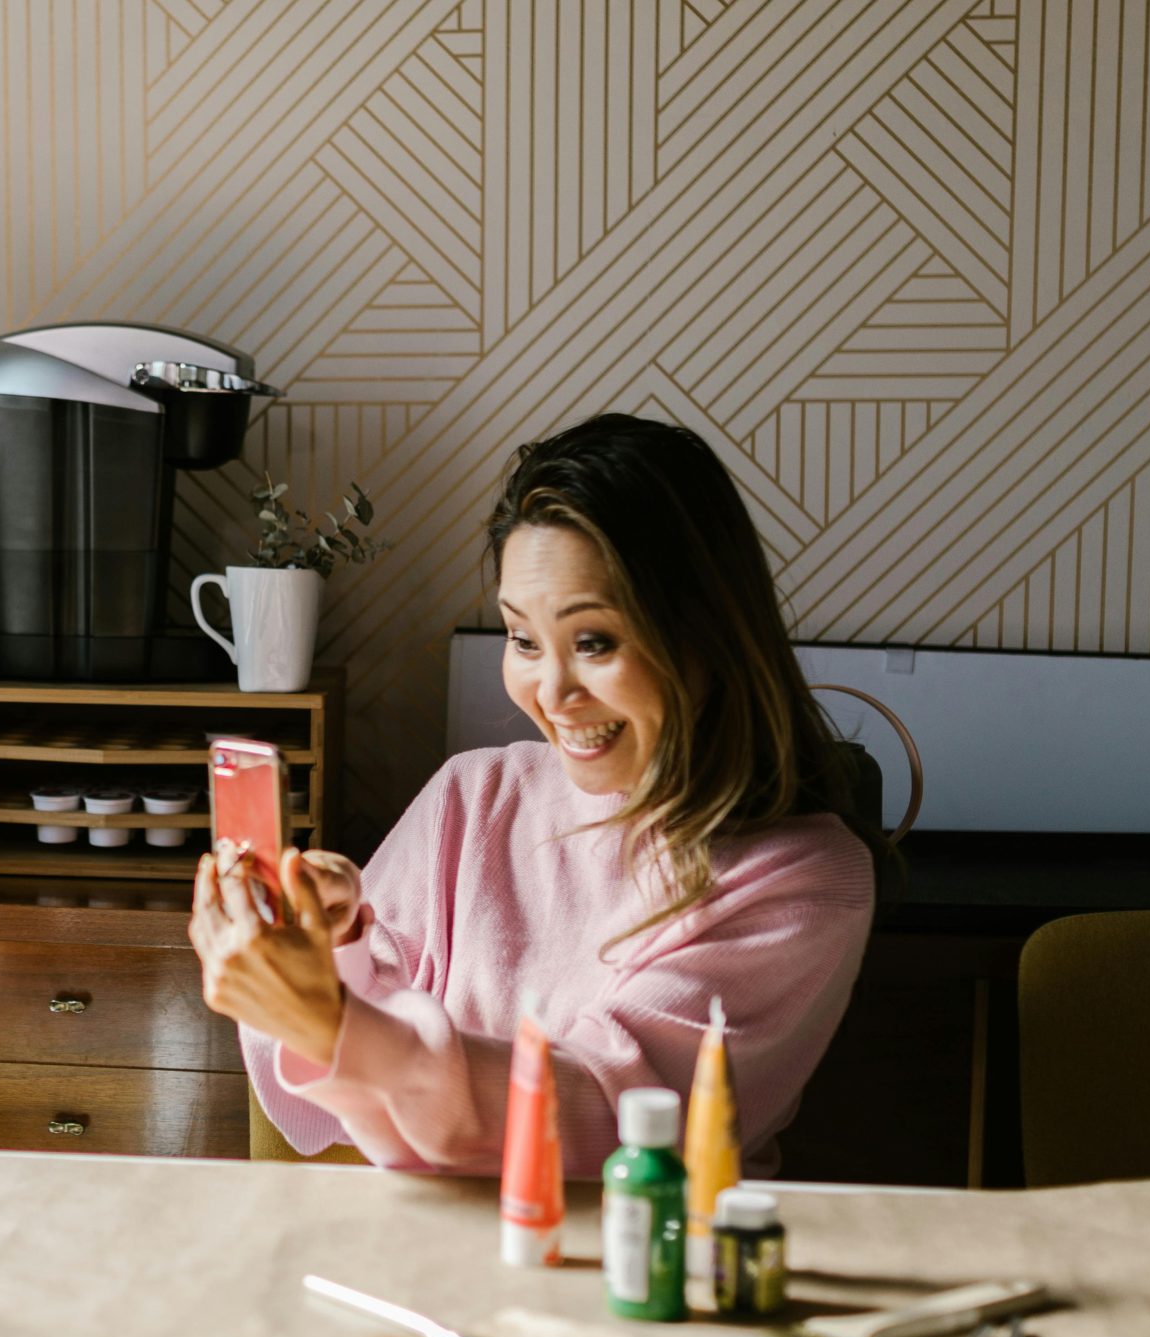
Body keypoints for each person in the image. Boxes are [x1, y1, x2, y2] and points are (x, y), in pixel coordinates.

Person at [192, 414, 886, 1178]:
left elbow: (604, 1116)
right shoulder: (473, 793)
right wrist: (336, 951)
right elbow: (330, 1108)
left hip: (633, 1271)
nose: (552, 692)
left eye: (594, 641)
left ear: (705, 633)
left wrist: (331, 1023)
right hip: (426, 1255)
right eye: (523, 640)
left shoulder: (803, 881)